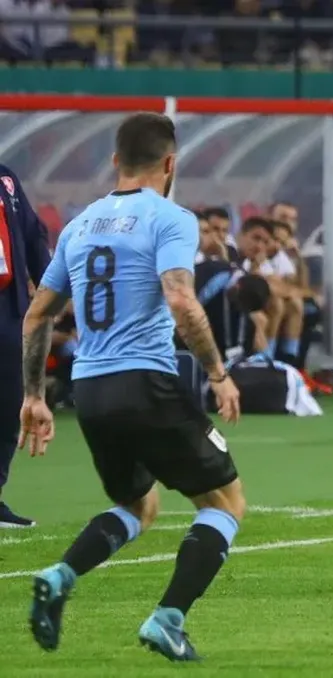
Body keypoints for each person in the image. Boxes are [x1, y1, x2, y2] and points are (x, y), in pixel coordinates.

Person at [19, 112, 245, 660]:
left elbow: (37, 315)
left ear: (115, 161)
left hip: (91, 392)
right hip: (144, 380)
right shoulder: (170, 218)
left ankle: (61, 573)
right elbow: (180, 298)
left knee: (140, 504)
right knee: (225, 503)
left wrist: (34, 396)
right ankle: (167, 620)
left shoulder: (79, 225)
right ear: (171, 163)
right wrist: (218, 374)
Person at [0, 163, 51, 528]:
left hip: (6, 306)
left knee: (7, 404)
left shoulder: (6, 178)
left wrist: (52, 286)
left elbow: (33, 235)